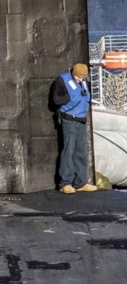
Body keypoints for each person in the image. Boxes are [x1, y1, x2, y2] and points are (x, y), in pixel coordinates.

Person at [50, 63, 98, 194]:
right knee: (68, 150)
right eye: (78, 78)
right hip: (69, 119)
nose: (80, 80)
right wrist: (70, 97)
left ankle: (81, 182)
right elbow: (56, 100)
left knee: (81, 152)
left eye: (82, 78)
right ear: (73, 73)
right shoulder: (62, 80)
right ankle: (65, 183)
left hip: (81, 119)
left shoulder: (83, 80)